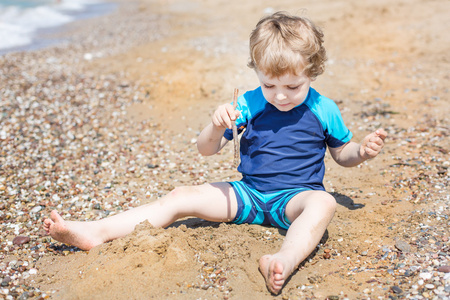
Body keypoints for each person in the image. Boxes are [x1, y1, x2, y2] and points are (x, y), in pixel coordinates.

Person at [44, 11, 387, 295]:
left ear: (312, 71)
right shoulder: (248, 104)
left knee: (324, 203)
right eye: (270, 85)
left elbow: (342, 154)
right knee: (180, 196)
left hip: (295, 199)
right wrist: (215, 124)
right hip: (248, 195)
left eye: (292, 87)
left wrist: (363, 151)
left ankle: (282, 259)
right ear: (256, 72)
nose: (281, 96)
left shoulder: (323, 108)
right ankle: (95, 231)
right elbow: (205, 150)